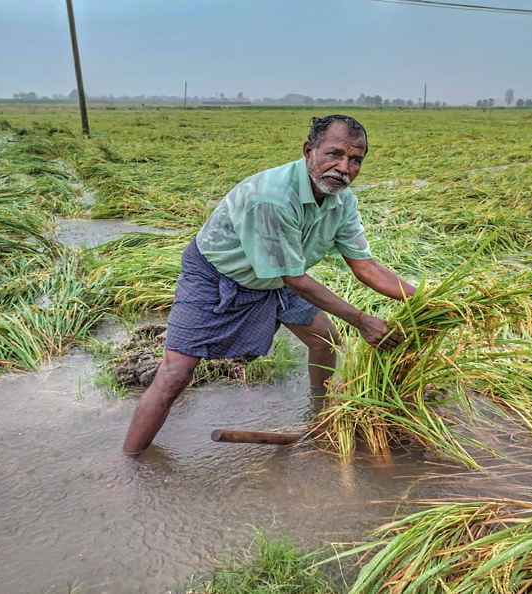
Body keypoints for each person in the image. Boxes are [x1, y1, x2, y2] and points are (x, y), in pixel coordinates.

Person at [122, 114, 415, 456]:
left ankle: (320, 421)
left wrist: (426, 299)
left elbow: (365, 266)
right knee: (175, 374)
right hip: (218, 275)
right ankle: (131, 463)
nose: (344, 167)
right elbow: (295, 279)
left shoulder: (342, 201)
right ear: (309, 151)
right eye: (334, 154)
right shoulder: (272, 198)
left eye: (355, 160)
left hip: (278, 274)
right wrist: (362, 320)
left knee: (326, 341)